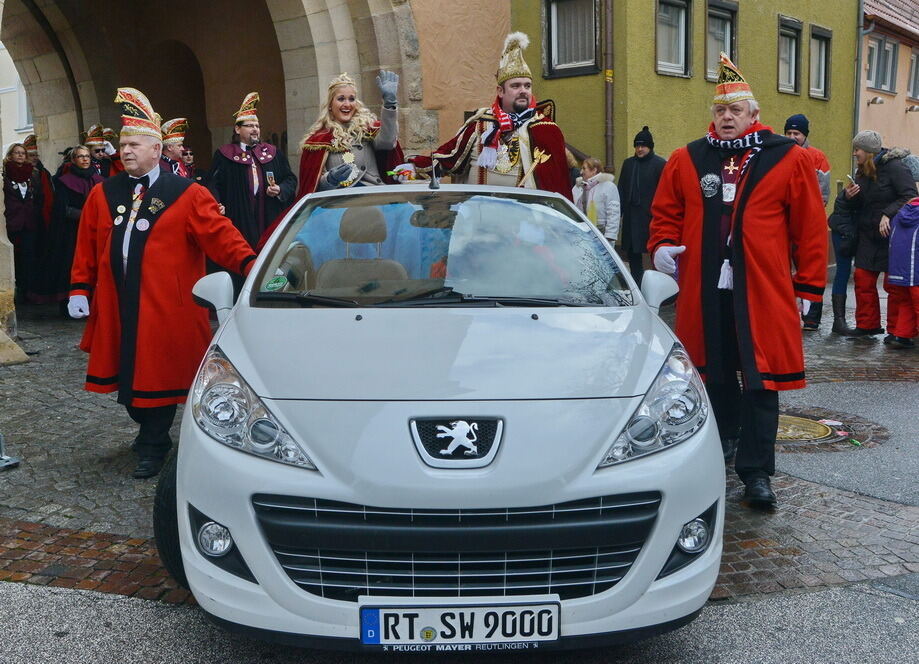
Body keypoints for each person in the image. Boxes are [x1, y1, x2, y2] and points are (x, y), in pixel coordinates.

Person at [648, 54, 827, 508]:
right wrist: (663, 245)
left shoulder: (788, 159)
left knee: (761, 379)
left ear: (754, 115)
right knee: (714, 373)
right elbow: (666, 213)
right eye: (720, 111)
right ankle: (720, 448)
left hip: (762, 291)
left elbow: (809, 227)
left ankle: (756, 472)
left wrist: (808, 288)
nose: (727, 118)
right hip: (705, 291)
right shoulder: (688, 158)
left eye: (736, 111)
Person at [67, 87, 258, 479]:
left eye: (135, 144)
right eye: (123, 145)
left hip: (164, 307)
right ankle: (148, 429)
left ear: (157, 150)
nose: (127, 151)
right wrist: (79, 288)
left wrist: (254, 265)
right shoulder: (103, 193)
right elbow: (87, 246)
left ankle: (155, 443)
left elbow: (221, 236)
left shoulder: (187, 193)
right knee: (127, 379)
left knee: (155, 378)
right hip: (117, 303)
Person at [404, 32, 571, 199]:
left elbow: (557, 184)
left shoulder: (545, 130)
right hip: (478, 217)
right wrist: (413, 168)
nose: (523, 91)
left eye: (527, 86)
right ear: (500, 91)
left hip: (521, 219)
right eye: (516, 86)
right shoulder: (480, 124)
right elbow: (450, 157)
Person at [834, 131, 917, 339]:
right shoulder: (862, 172)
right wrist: (848, 197)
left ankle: (896, 330)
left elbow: (910, 196)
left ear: (869, 151)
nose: (854, 154)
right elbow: (861, 204)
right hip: (867, 235)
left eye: (857, 149)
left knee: (894, 286)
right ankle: (867, 324)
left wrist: (887, 214)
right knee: (862, 279)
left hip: (893, 237)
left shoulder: (895, 168)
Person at [207, 91, 297, 250]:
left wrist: (280, 189)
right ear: (237, 129)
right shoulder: (224, 154)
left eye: (257, 126)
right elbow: (213, 184)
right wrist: (217, 203)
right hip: (239, 217)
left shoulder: (273, 153)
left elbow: (290, 179)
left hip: (268, 216)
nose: (255, 129)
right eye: (250, 126)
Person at [297, 71, 403, 196]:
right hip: (339, 201)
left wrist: (389, 104)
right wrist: (330, 179)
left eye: (351, 99)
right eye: (341, 99)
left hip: (373, 195)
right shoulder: (318, 141)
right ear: (330, 104)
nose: (347, 104)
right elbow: (312, 186)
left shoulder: (367, 130)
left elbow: (388, 141)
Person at [783, 114, 831, 331]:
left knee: (811, 268)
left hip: (808, 222)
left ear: (805, 135)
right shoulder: (780, 154)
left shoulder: (817, 157)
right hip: (785, 223)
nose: (793, 137)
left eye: (797, 133)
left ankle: (812, 318)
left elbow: (822, 193)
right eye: (790, 133)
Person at [40, 146, 103, 310]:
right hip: (71, 233)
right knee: (72, 265)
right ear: (73, 160)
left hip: (96, 230)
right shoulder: (64, 182)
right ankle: (71, 303)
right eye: (80, 156)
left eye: (87, 156)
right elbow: (63, 209)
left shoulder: (99, 180)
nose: (85, 159)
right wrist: (87, 216)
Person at [618, 126, 666, 283]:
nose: (639, 149)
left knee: (649, 254)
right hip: (631, 219)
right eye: (637, 146)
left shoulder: (659, 164)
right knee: (633, 256)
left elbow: (665, 193)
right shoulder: (628, 164)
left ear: (650, 146)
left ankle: (651, 286)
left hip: (650, 219)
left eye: (643, 145)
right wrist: (619, 215)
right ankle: (637, 286)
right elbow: (621, 190)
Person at [4, 142, 46, 302]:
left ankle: (29, 291)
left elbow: (39, 197)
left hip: (29, 222)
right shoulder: (5, 173)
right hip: (12, 221)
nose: (20, 155)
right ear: (11, 155)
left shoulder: (32, 173)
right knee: (14, 257)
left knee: (29, 256)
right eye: (17, 152)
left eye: (23, 152)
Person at [886, 196, 919, 348]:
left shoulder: (900, 213)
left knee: (906, 303)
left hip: (898, 270)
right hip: (916, 270)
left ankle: (901, 335)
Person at [572, 157, 619, 244]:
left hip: (602, 234)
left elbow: (613, 212)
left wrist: (609, 236)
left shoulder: (609, 186)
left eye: (584, 168)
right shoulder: (577, 187)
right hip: (583, 233)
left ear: (594, 170)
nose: (581, 172)